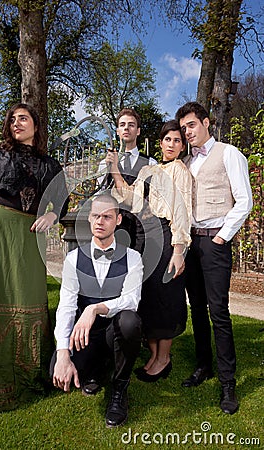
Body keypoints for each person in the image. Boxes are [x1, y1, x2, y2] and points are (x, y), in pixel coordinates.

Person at [0, 103, 69, 414]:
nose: (16, 123)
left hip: (30, 238)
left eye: (23, 118)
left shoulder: (51, 166)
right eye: (12, 119)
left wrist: (52, 216)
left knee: (30, 297)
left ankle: (31, 371)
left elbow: (61, 201)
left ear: (36, 125)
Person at [175, 101, 253, 414]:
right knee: (196, 306)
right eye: (183, 128)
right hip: (190, 242)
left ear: (207, 122)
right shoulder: (186, 162)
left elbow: (244, 199)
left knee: (218, 310)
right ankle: (203, 365)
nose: (187, 132)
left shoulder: (229, 153)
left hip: (214, 242)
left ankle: (228, 381)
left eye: (191, 125)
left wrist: (222, 236)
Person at [109, 120, 192, 382]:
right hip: (148, 235)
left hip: (168, 235)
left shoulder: (180, 171)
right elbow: (131, 199)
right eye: (168, 140)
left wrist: (179, 249)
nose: (172, 145)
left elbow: (182, 210)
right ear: (160, 143)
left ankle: (163, 358)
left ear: (182, 146)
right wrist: (113, 168)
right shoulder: (150, 170)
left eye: (177, 141)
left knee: (166, 293)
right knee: (151, 294)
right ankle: (154, 355)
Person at [51, 192, 143, 428]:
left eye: (107, 217)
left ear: (118, 220)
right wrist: (63, 353)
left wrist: (95, 308)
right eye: (95, 216)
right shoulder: (73, 259)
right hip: (86, 336)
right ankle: (96, 369)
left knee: (130, 321)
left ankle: (119, 388)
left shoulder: (132, 258)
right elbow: (66, 306)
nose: (100, 221)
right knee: (56, 371)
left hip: (115, 332)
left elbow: (131, 300)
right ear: (89, 219)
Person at [98, 108, 157, 253]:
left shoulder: (151, 163)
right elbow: (99, 195)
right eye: (122, 124)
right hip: (115, 229)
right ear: (117, 130)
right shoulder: (104, 163)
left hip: (143, 231)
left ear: (138, 131)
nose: (126, 128)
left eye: (131, 125)